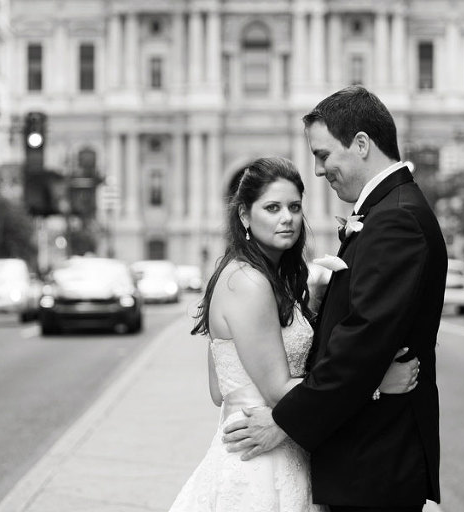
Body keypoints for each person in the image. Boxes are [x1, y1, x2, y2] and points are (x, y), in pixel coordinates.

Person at [222, 86, 448, 512]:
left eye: (324, 155)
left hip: (373, 463)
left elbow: (362, 340)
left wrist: (284, 423)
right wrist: (375, 382)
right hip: (359, 458)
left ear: (361, 144)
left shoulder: (395, 219)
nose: (319, 170)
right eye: (272, 208)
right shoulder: (388, 211)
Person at [168, 156, 420, 512]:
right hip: (260, 462)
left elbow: (218, 390)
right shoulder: (249, 283)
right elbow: (276, 389)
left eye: (294, 207)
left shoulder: (259, 276)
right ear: (244, 216)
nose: (287, 217)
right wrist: (375, 384)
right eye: (272, 207)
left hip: (271, 445)